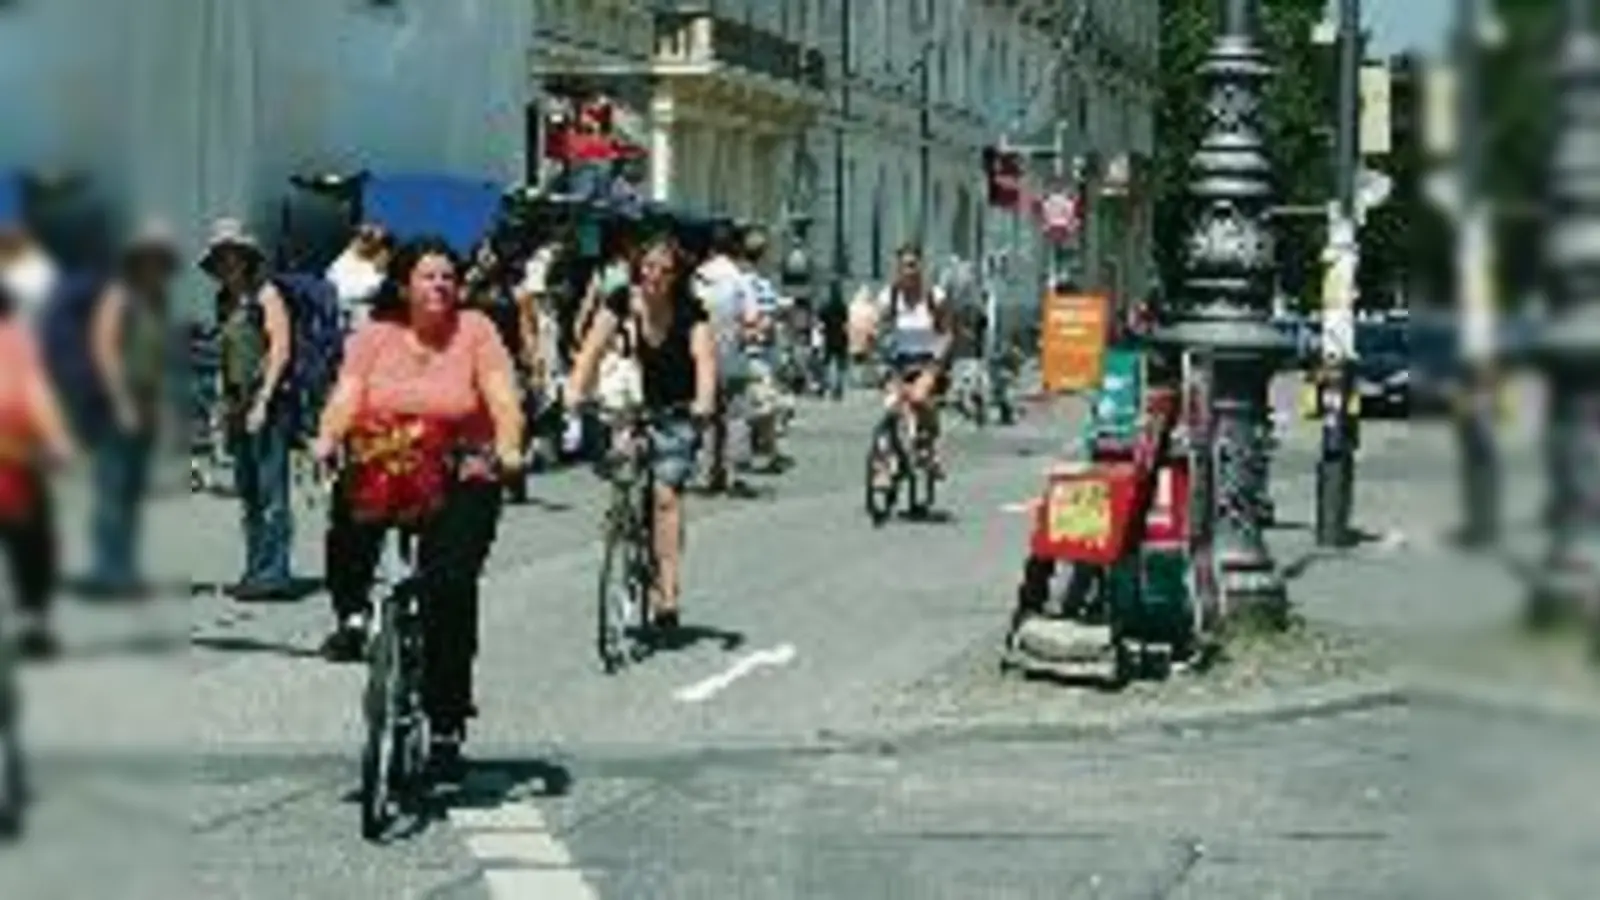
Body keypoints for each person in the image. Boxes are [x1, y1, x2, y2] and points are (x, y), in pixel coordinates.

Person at [312, 236, 524, 773]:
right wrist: (328, 437)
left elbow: (502, 395)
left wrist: (509, 445)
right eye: (428, 276)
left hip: (461, 469)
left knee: (450, 587)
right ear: (404, 285)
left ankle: (447, 720)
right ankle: (353, 614)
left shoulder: (476, 331)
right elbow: (347, 394)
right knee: (349, 511)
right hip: (390, 456)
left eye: (448, 276)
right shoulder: (375, 335)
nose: (440, 285)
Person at [568, 233, 716, 629]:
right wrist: (575, 393)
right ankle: (625, 522)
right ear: (638, 269)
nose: (655, 276)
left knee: (666, 496)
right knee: (626, 467)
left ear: (676, 276)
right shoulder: (620, 300)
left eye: (665, 271)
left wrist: (704, 403)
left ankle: (667, 588)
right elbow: (591, 350)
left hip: (675, 410)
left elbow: (704, 360)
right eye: (649, 268)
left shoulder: (691, 310)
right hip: (628, 407)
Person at [204, 218, 297, 600]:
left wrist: (264, 401)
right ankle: (255, 567)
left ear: (246, 257)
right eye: (221, 256)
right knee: (248, 492)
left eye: (232, 255)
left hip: (267, 404)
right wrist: (221, 406)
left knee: (271, 491)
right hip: (236, 403)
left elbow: (280, 349)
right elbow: (223, 357)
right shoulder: (224, 300)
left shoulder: (267, 294)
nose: (227, 263)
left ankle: (274, 572)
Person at [84, 220, 177, 597]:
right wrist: (121, 401)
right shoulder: (118, 295)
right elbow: (103, 349)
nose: (154, 266)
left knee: (133, 490)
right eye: (149, 258)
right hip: (116, 402)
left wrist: (162, 407)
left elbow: (160, 360)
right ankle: (109, 570)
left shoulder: (158, 300)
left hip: (147, 401)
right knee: (112, 487)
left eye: (160, 260)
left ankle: (123, 567)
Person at [0, 280, 76, 658]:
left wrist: (56, 438)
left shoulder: (16, 339)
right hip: (16, 456)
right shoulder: (17, 339)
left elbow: (35, 390)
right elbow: (35, 391)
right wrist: (57, 440)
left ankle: (32, 619)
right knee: (31, 542)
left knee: (31, 541)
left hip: (16, 456)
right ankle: (33, 618)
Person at [693, 223, 760, 492]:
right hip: (731, 351)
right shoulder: (738, 278)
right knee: (734, 415)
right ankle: (732, 473)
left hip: (701, 353)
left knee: (707, 413)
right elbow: (753, 318)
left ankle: (706, 472)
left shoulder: (698, 276)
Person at [875, 244, 952, 473]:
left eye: (912, 265)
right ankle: (882, 465)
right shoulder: (890, 296)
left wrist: (939, 358)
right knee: (891, 405)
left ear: (920, 267)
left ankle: (929, 443)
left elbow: (947, 332)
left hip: (927, 361)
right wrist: (872, 343)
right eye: (904, 266)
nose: (908, 271)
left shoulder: (933, 297)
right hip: (898, 361)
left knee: (918, 398)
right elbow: (880, 327)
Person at [325, 223, 392, 329]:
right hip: (342, 325)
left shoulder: (380, 266)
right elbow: (343, 291)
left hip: (370, 328)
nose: (368, 241)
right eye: (365, 236)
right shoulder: (342, 262)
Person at [819, 292, 849, 400]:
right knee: (840, 364)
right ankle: (838, 387)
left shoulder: (826, 306)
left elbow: (820, 318)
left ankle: (827, 385)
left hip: (829, 336)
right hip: (840, 336)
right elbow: (846, 319)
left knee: (827, 362)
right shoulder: (842, 306)